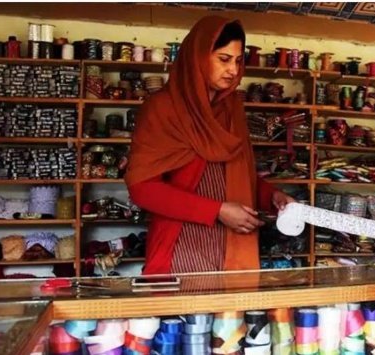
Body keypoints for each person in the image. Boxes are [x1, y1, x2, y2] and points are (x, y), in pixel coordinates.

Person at [125, 16, 294, 275]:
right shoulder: (163, 108)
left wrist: (271, 196)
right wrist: (217, 211)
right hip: (182, 247)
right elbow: (143, 189)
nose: (234, 71)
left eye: (238, 61)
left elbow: (238, 174)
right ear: (198, 57)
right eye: (224, 59)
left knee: (234, 315)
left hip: (235, 244)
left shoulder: (232, 110)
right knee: (184, 315)